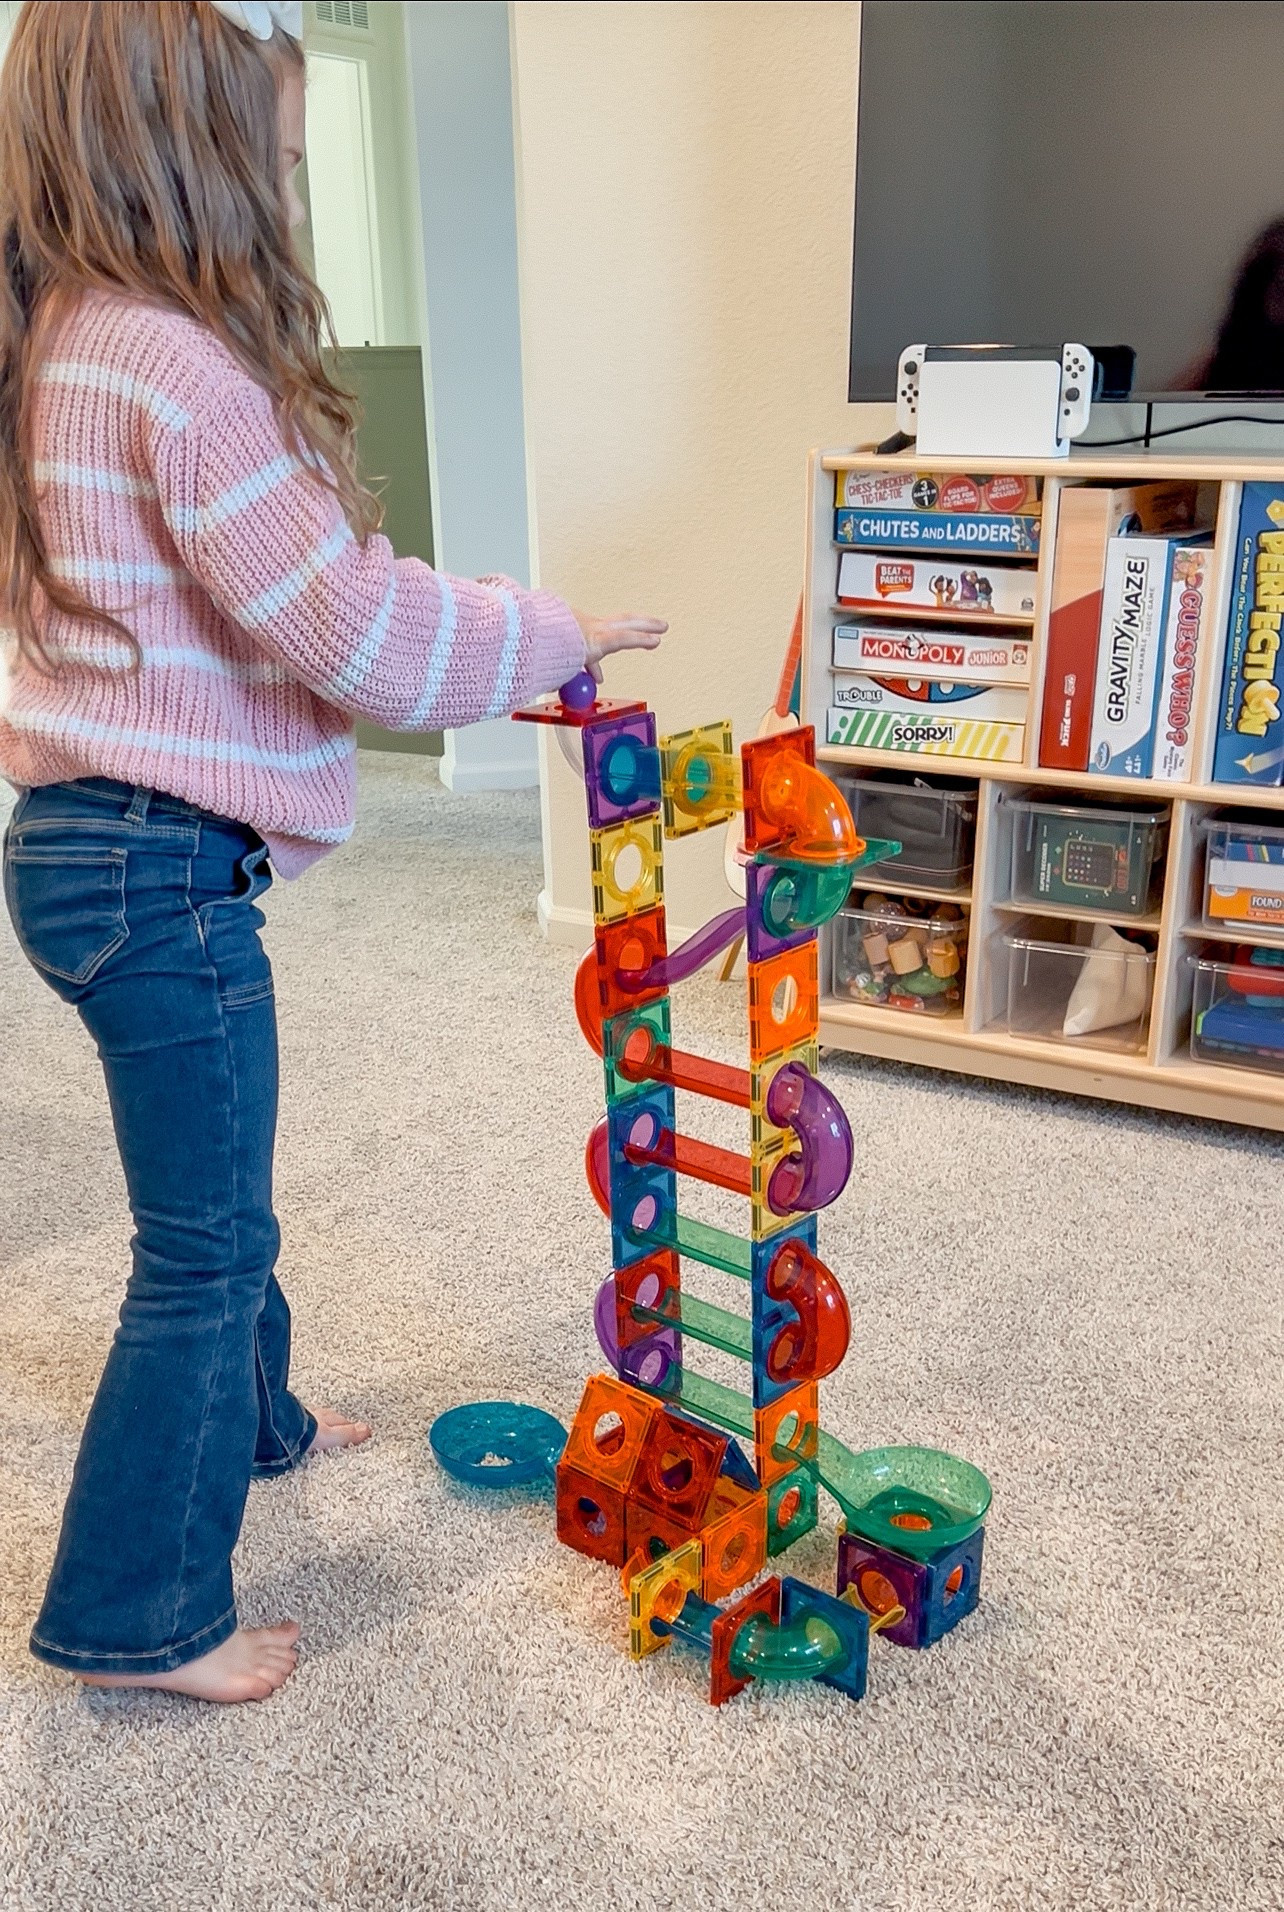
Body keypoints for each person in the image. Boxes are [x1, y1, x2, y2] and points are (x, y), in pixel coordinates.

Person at [0, 0, 664, 1704]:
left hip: (85, 854)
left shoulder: (57, 337)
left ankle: (261, 1419)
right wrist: (546, 630)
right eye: (281, 165)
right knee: (200, 1244)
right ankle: (142, 1613)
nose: (292, 201)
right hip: (154, 873)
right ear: (192, 160)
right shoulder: (175, 368)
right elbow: (356, 633)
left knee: (216, 1182)